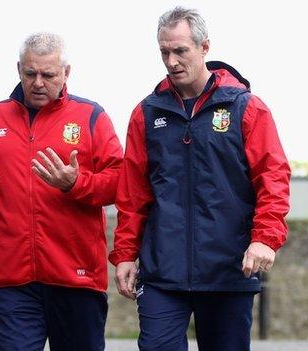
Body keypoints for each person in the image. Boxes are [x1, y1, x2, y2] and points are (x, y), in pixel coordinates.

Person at [110, 7, 291, 351]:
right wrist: (125, 255)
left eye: (181, 51)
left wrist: (265, 238)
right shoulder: (146, 114)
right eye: (164, 52)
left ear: (204, 47)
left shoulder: (246, 108)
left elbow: (273, 178)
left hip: (228, 269)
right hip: (162, 273)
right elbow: (133, 194)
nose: (172, 61)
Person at [0, 32, 123, 351]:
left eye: (48, 74)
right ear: (18, 70)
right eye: (31, 73)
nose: (38, 82)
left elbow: (120, 183)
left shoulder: (91, 116)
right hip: (12, 278)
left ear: (66, 73)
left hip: (76, 277)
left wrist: (76, 183)